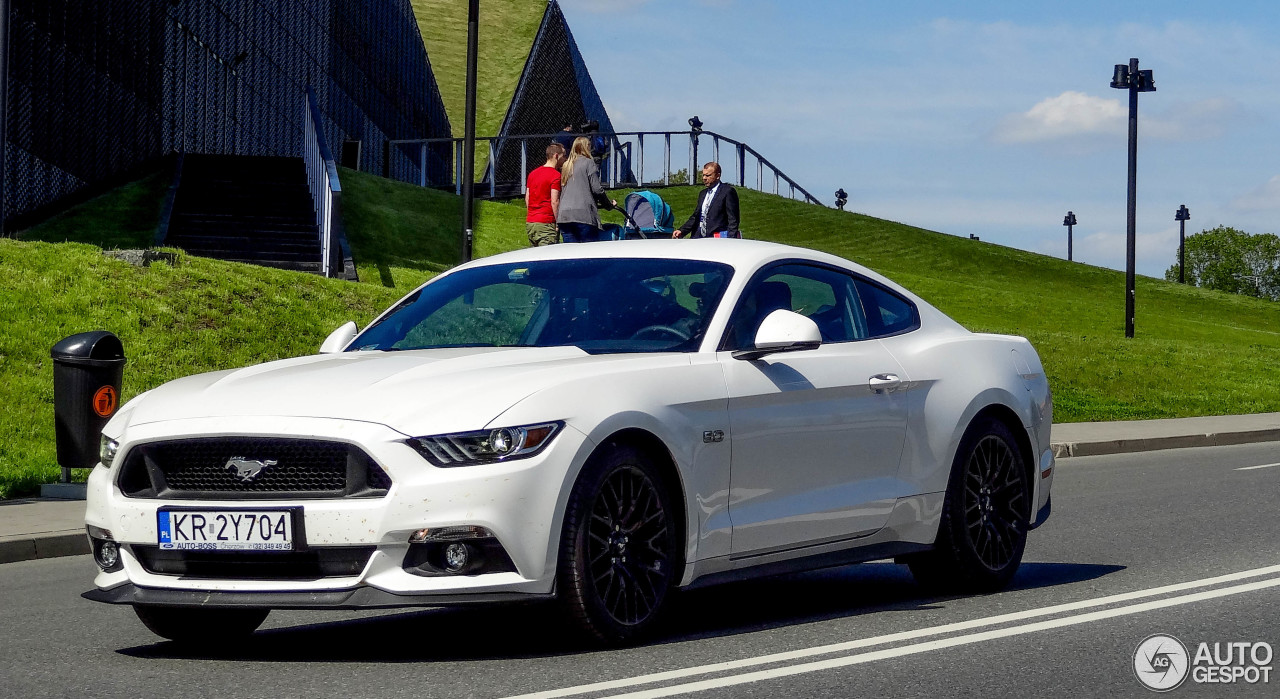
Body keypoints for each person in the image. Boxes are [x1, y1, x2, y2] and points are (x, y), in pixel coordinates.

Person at [557, 136, 616, 243]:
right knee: (587, 251)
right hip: (583, 215)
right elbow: (597, 189)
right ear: (586, 147)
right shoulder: (588, 163)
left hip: (564, 215)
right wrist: (608, 204)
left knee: (570, 252)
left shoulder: (566, 165)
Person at [672, 161, 740, 239]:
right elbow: (696, 217)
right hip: (698, 238)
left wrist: (731, 240)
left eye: (708, 175)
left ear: (718, 175)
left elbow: (733, 220)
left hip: (717, 239)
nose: (704, 178)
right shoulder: (703, 194)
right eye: (703, 175)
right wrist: (682, 230)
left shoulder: (727, 191)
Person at [525, 143, 566, 247]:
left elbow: (527, 198)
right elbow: (554, 201)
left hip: (531, 222)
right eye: (564, 156)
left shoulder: (533, 174)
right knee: (547, 258)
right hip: (546, 223)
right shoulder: (555, 175)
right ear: (556, 156)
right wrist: (558, 222)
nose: (565, 159)